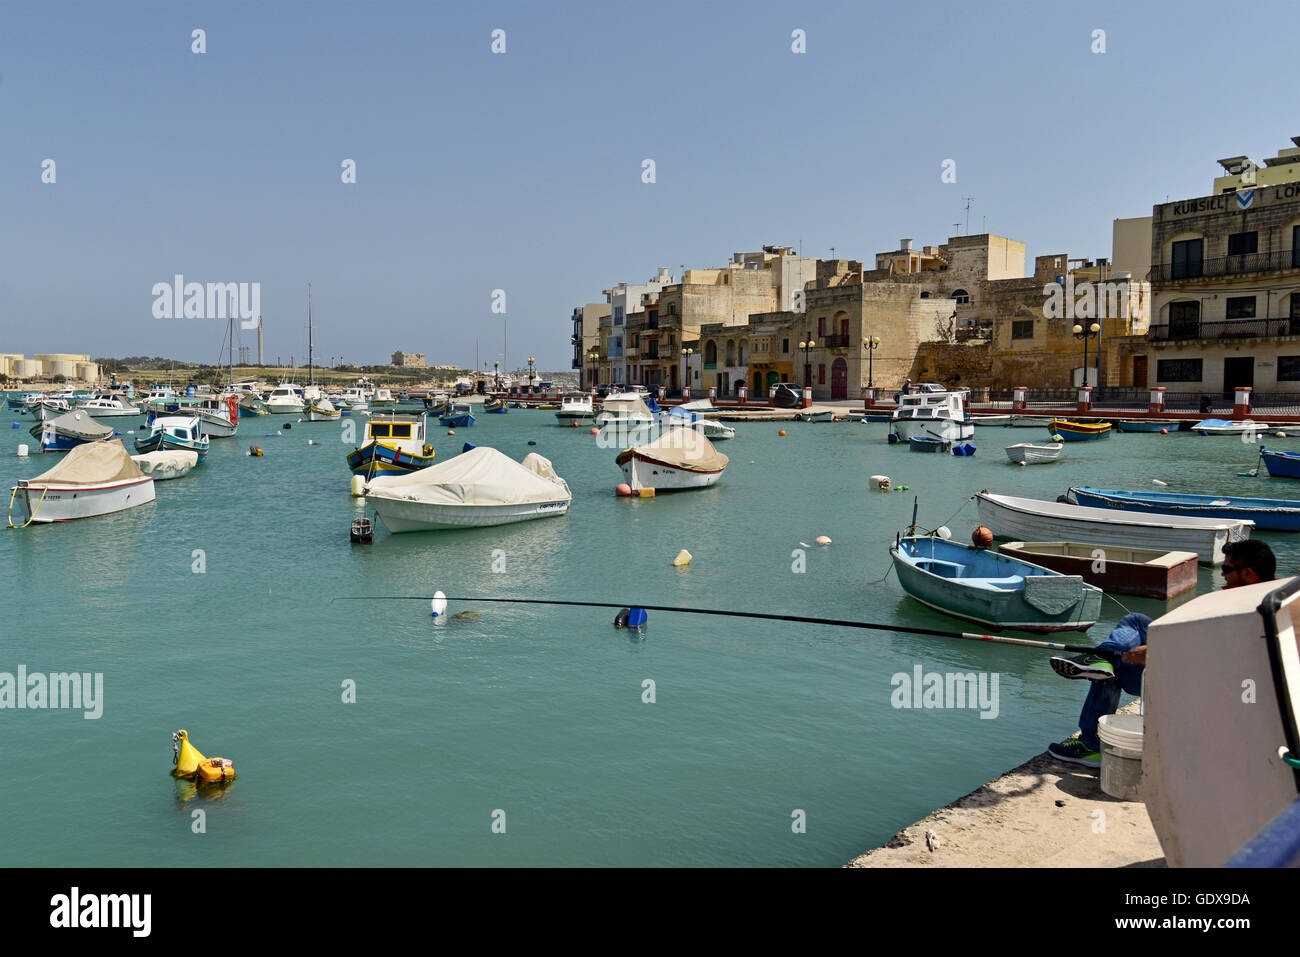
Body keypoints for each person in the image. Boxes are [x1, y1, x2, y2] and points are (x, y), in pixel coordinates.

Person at [1046, 539, 1277, 768]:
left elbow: (1215, 659)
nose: (1223, 575)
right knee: (1135, 622)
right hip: (1207, 676)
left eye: (1227, 569)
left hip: (1197, 690)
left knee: (1110, 671)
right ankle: (1101, 660)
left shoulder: (1242, 610)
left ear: (1248, 573)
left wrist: (1159, 652)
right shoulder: (1274, 598)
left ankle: (1092, 745)